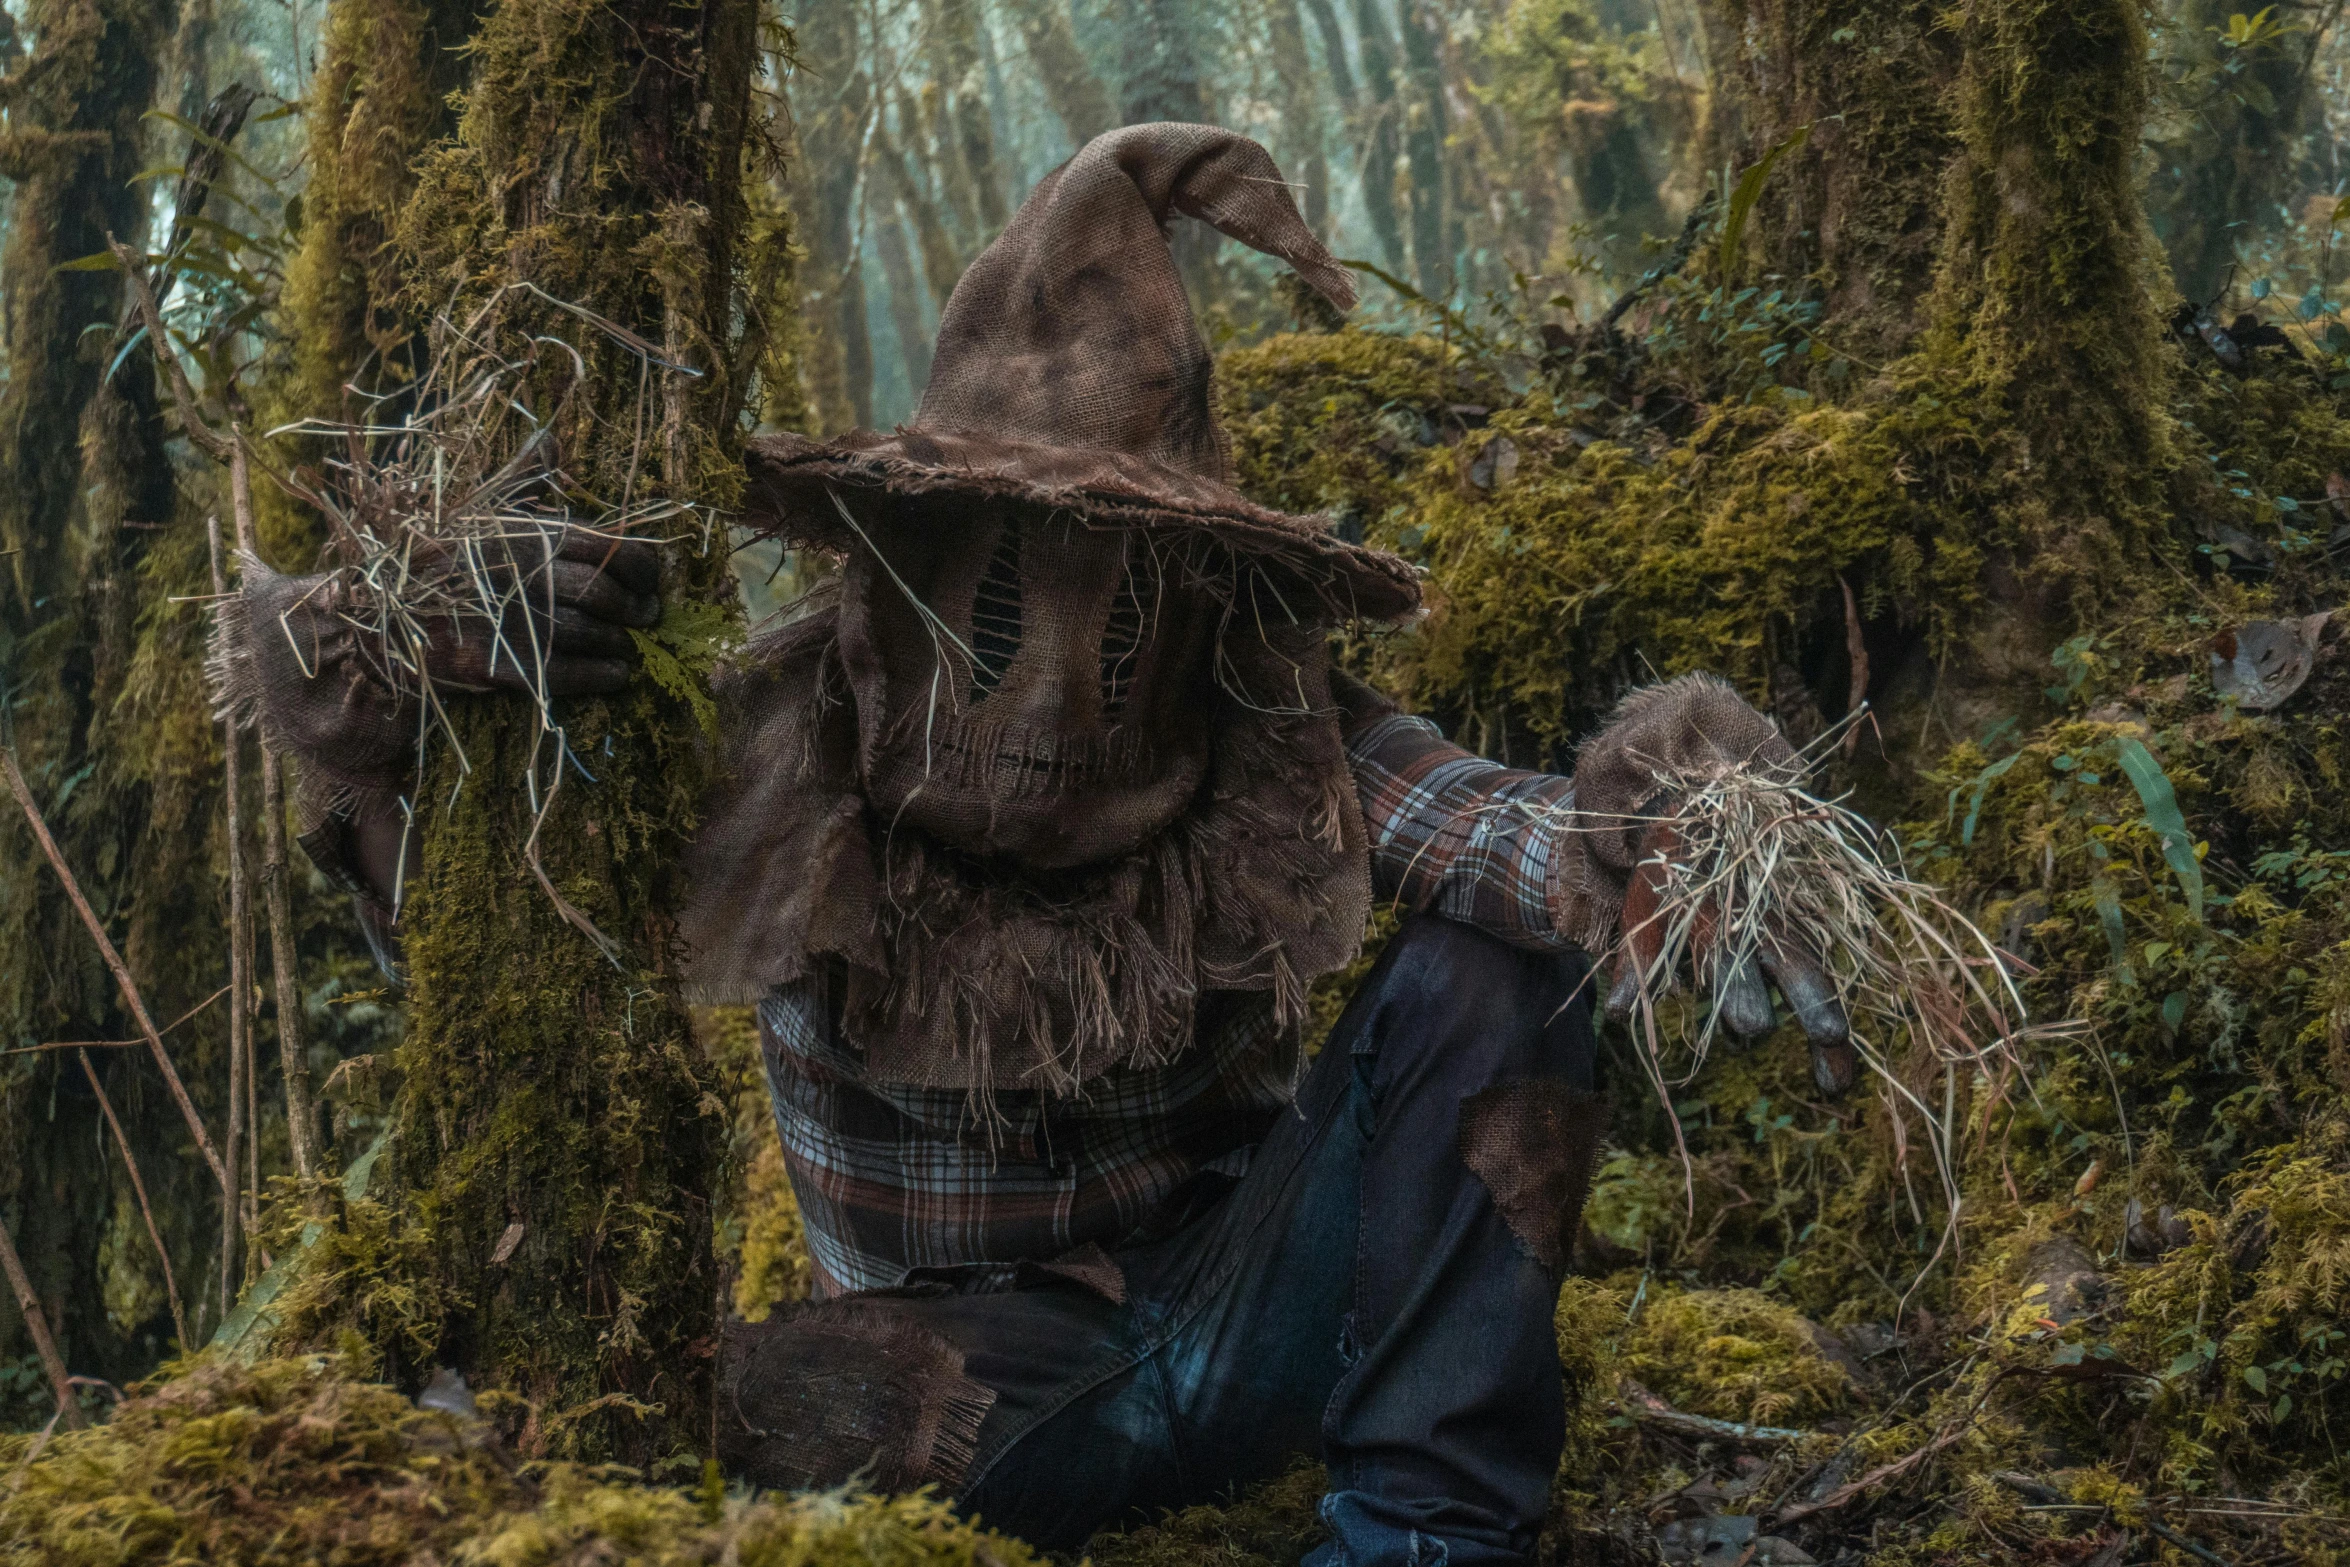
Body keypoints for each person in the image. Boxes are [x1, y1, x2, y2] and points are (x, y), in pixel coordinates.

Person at [219, 124, 1858, 1567]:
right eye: (997, 582)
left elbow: (1514, 841)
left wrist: (1686, 821)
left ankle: (1422, 1531)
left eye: (1130, 585)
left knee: (1493, 972)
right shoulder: (780, 735)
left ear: (1209, 594)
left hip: (1255, 1313)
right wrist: (389, 643)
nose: (1062, 662)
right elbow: (455, 903)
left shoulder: (1270, 728)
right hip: (950, 1399)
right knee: (710, 1411)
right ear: (898, 554)